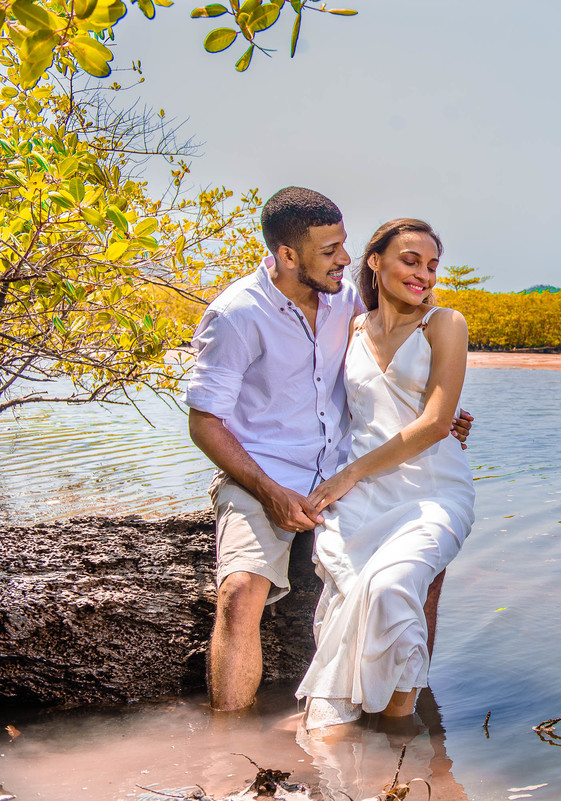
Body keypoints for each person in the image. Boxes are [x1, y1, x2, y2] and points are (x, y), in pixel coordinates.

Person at [186, 188, 470, 712]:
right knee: (240, 591)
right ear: (288, 255)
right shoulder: (236, 314)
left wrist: (441, 414)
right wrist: (268, 491)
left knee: (418, 577)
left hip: (346, 471)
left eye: (343, 244)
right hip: (264, 471)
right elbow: (204, 422)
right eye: (329, 250)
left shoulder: (346, 301)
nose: (343, 257)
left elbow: (391, 368)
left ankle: (405, 713)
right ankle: (227, 744)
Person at [294, 218, 474, 730]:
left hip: (433, 490)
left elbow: (436, 423)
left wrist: (347, 475)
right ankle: (363, 745)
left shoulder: (444, 323)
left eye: (432, 266)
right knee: (352, 593)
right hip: (364, 496)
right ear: (375, 261)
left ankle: (397, 730)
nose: (423, 275)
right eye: (410, 261)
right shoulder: (350, 327)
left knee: (392, 586)